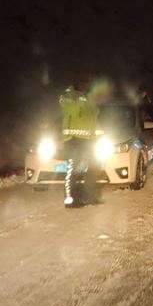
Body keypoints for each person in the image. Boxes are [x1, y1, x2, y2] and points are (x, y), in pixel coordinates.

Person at [60, 73, 100, 206]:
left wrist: (98, 134)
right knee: (73, 170)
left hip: (89, 140)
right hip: (74, 140)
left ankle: (90, 197)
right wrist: (79, 98)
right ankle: (70, 199)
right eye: (82, 82)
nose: (85, 85)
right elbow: (68, 106)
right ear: (76, 83)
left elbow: (94, 117)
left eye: (86, 82)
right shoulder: (69, 96)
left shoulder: (88, 98)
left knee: (94, 168)